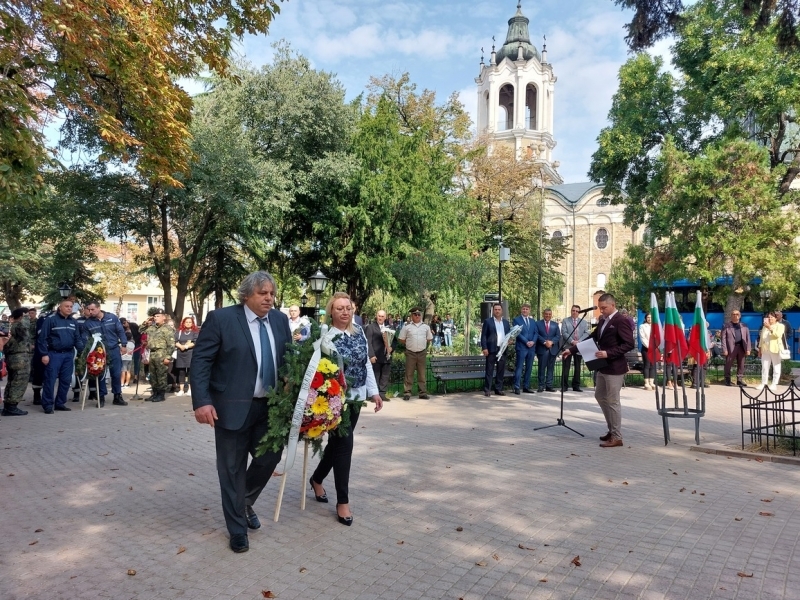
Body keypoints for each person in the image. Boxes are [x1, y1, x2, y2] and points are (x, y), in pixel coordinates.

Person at [190, 271, 292, 553]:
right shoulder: (222, 319)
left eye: (272, 293)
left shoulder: (281, 320)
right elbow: (201, 361)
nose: (269, 299)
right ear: (247, 294)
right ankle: (237, 530)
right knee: (232, 469)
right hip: (230, 407)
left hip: (269, 407)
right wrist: (201, 401)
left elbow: (288, 361)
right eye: (263, 293)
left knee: (269, 456)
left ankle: (243, 502)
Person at [310, 292, 383, 526]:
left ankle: (317, 478)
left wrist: (374, 392)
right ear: (331, 311)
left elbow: (366, 365)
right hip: (335, 401)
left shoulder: (359, 331)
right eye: (339, 308)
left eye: (348, 308)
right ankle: (343, 502)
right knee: (345, 445)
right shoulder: (326, 336)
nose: (344, 312)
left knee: (338, 445)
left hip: (356, 398)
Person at [563, 293, 635, 448]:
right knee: (600, 396)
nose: (601, 311)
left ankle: (617, 436)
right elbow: (591, 338)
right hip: (602, 366)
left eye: (604, 308)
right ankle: (611, 430)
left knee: (613, 401)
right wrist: (572, 350)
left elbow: (629, 344)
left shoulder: (621, 321)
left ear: (612, 305)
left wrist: (609, 353)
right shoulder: (603, 320)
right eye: (600, 308)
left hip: (615, 367)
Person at [37, 298, 84, 414]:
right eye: (66, 306)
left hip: (68, 355)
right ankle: (48, 404)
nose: (69, 308)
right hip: (53, 354)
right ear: (60, 308)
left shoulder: (73, 321)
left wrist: (83, 352)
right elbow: (42, 338)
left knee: (66, 380)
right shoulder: (51, 320)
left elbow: (77, 339)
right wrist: (44, 354)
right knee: (50, 380)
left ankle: (60, 403)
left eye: (70, 306)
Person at [82, 300, 128, 407]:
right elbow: (85, 339)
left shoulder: (112, 317)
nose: (90, 312)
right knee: (100, 374)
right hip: (99, 352)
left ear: (99, 308)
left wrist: (124, 345)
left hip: (113, 349)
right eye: (89, 310)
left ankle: (117, 396)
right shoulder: (88, 323)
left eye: (92, 309)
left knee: (116, 374)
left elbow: (120, 331)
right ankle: (101, 397)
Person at [140, 309, 175, 402]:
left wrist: (168, 357)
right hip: (152, 353)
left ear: (164, 317)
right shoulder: (151, 328)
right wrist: (146, 321)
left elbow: (171, 344)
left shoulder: (167, 329)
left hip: (162, 353)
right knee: (153, 375)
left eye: (158, 316)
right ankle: (155, 393)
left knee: (161, 375)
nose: (155, 318)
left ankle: (161, 394)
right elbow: (140, 330)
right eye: (154, 316)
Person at [2, 308, 32, 416]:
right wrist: (24, 317)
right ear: (21, 317)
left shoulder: (11, 327)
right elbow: (25, 326)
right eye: (26, 316)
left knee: (12, 382)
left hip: (13, 357)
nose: (29, 317)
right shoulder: (18, 326)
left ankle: (8, 406)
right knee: (19, 382)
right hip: (19, 358)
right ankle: (11, 407)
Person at [398, 308, 432, 401]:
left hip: (421, 353)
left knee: (422, 374)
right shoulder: (407, 327)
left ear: (421, 315)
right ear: (412, 316)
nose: (417, 316)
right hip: (410, 353)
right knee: (409, 373)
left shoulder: (426, 327)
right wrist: (409, 343)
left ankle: (422, 393)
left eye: (418, 314)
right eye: (415, 314)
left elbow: (429, 338)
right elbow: (401, 339)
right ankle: (407, 393)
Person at [480, 303, 511, 397]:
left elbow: (508, 334)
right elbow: (484, 336)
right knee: (489, 370)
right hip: (491, 349)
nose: (497, 311)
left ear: (502, 311)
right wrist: (484, 348)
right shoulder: (488, 321)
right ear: (493, 311)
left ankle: (498, 389)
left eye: (499, 309)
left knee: (500, 370)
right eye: (495, 309)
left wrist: (510, 340)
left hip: (502, 349)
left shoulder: (505, 322)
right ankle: (487, 390)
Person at [364, 309, 393, 402]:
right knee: (375, 375)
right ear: (376, 316)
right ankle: (374, 395)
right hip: (375, 356)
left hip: (386, 355)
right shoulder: (371, 327)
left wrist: (392, 348)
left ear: (385, 317)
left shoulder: (390, 328)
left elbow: (394, 340)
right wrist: (371, 355)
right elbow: (368, 342)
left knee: (385, 375)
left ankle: (382, 394)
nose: (380, 318)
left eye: (382, 316)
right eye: (379, 316)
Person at [560, 305, 589, 392]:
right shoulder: (565, 320)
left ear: (579, 312)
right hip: (568, 346)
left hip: (579, 347)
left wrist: (579, 341)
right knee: (566, 367)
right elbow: (564, 332)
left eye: (577, 311)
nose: (575, 312)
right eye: (573, 310)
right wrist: (572, 341)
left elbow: (586, 333)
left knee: (577, 367)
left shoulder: (583, 322)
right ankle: (564, 386)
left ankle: (576, 386)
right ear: (571, 311)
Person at [512, 303, 538, 394]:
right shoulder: (516, 320)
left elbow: (536, 333)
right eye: (523, 309)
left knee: (529, 367)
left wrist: (533, 342)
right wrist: (526, 341)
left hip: (531, 347)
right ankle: (517, 387)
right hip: (522, 347)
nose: (525, 310)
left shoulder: (533, 321)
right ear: (521, 310)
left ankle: (526, 386)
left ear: (529, 310)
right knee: (519, 367)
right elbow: (517, 333)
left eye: (527, 309)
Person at [757, 312, 785, 392]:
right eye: (768, 317)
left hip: (775, 349)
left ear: (776, 318)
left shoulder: (780, 326)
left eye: (772, 317)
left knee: (776, 366)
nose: (770, 319)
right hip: (765, 349)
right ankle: (763, 383)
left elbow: (777, 335)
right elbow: (761, 339)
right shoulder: (764, 327)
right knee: (765, 367)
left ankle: (774, 383)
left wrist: (770, 327)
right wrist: (760, 349)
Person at [721, 310, 750, 387]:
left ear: (739, 316)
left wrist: (748, 349)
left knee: (741, 364)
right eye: (733, 314)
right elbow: (723, 338)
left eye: (737, 314)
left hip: (741, 347)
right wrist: (724, 349)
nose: (735, 315)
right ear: (731, 316)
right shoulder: (726, 325)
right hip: (730, 348)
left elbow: (748, 338)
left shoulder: (744, 325)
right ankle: (727, 379)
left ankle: (739, 380)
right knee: (728, 363)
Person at [534, 308, 560, 392]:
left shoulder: (555, 325)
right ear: (543, 314)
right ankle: (541, 386)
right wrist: (545, 342)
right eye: (546, 314)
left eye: (549, 314)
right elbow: (536, 335)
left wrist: (551, 342)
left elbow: (558, 336)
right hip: (542, 349)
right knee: (541, 368)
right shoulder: (538, 324)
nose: (548, 315)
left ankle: (549, 385)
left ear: (551, 315)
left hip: (552, 349)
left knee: (551, 368)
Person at [173, 316, 199, 396]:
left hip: (191, 353)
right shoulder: (179, 331)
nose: (188, 323)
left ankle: (190, 390)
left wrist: (186, 347)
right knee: (181, 372)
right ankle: (181, 390)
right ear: (183, 323)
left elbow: (195, 341)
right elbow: (175, 341)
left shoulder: (195, 332)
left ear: (192, 323)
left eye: (190, 322)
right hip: (181, 353)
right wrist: (181, 346)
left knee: (191, 372)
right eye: (186, 322)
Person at [639, 313, 656, 390]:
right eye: (648, 317)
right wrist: (649, 347)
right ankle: (646, 383)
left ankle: (652, 382)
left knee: (653, 365)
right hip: (646, 348)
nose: (649, 319)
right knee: (647, 365)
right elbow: (643, 338)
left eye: (651, 317)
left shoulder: (655, 326)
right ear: (645, 318)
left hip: (655, 348)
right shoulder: (642, 326)